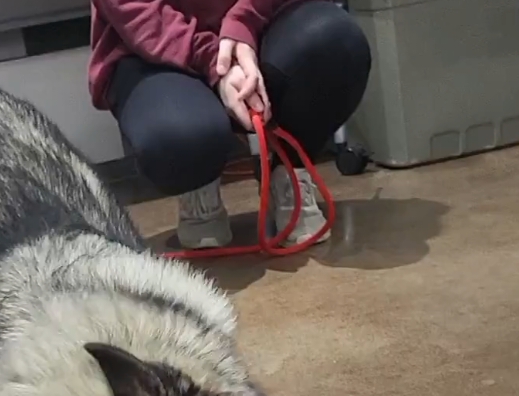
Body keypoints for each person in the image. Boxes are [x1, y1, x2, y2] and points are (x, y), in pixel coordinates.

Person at [89, 0, 372, 248]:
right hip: (154, 48)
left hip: (268, 23)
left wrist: (243, 25)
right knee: (177, 138)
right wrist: (216, 61)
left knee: (337, 43)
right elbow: (134, 9)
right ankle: (198, 189)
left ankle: (290, 173)